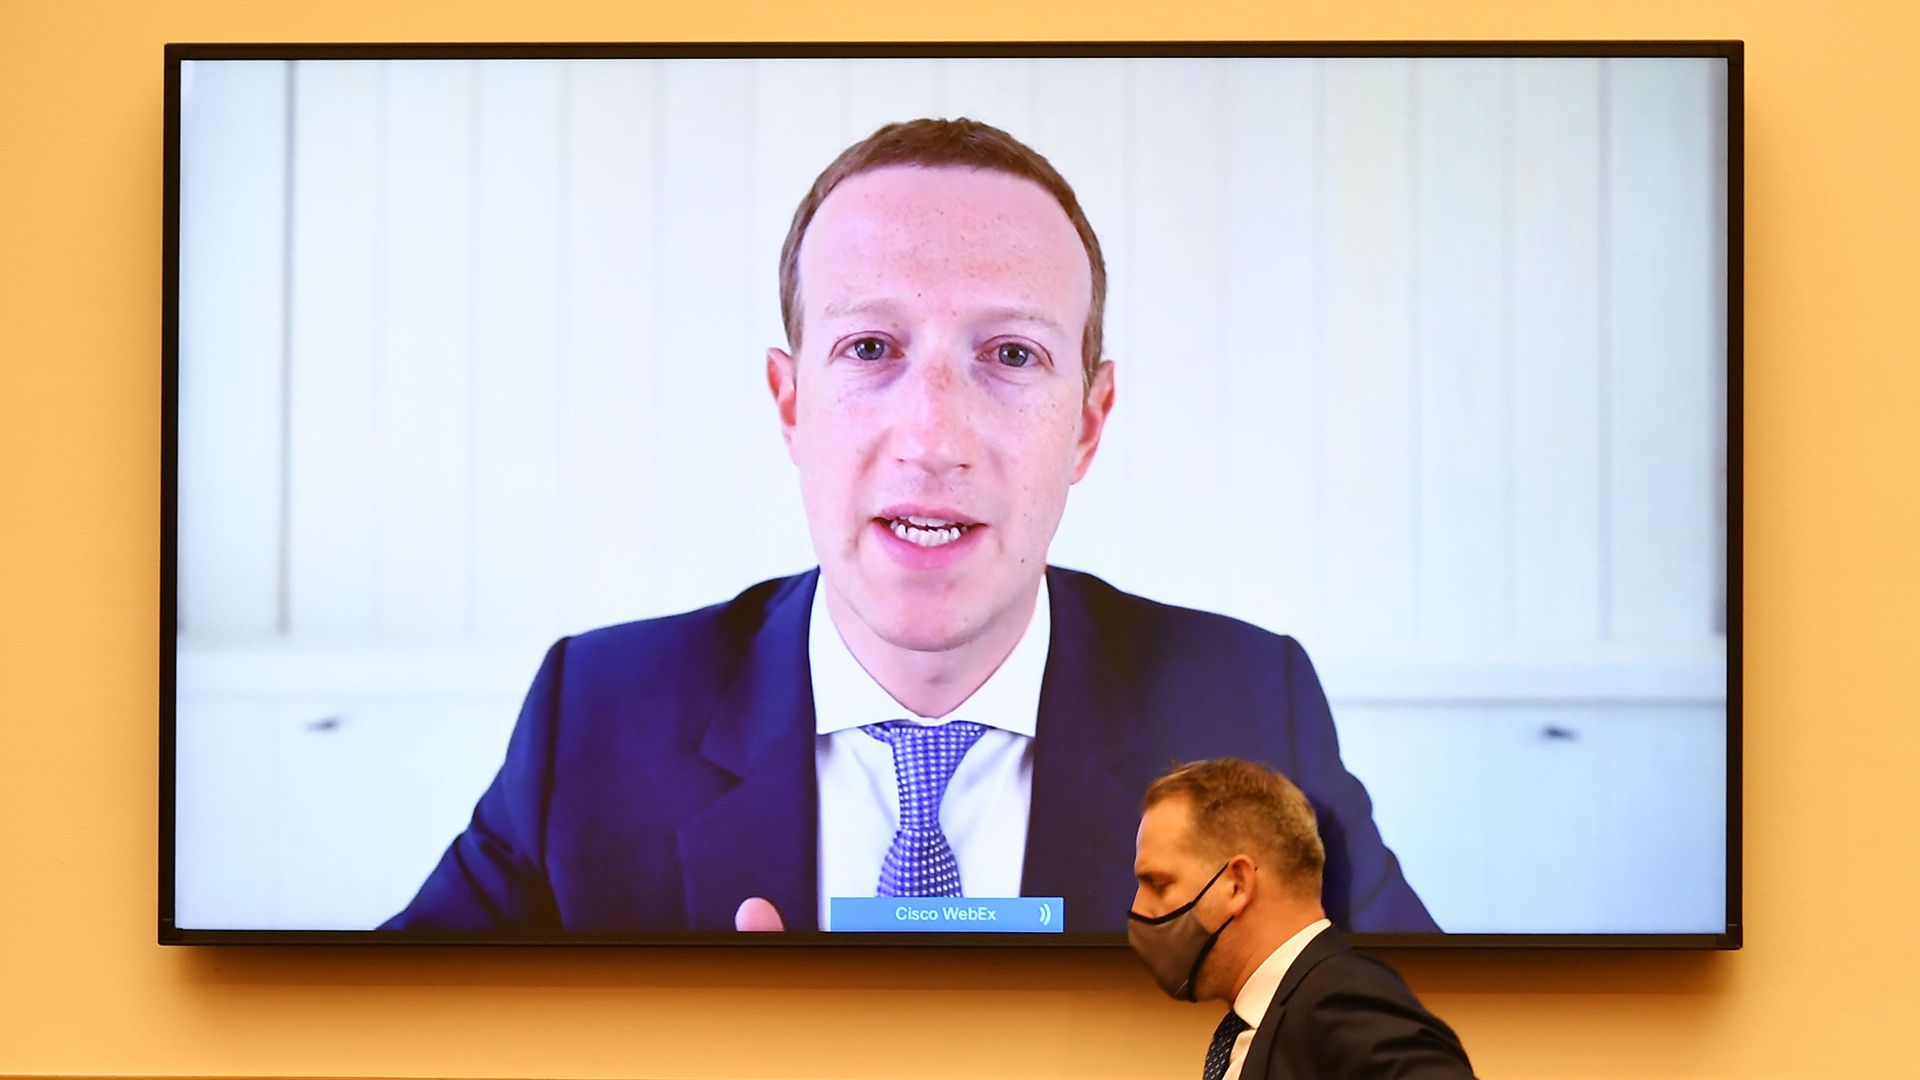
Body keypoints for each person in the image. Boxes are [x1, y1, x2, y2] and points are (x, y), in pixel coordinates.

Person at [383, 117, 1435, 935]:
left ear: (1090, 422)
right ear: (790, 404)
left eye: (1011, 356)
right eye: (872, 349)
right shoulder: (598, 721)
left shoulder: (1251, 716)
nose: (932, 434)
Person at [1129, 759, 1473, 1079]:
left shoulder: (1340, 1000)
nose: (1139, 908)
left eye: (1159, 884)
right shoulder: (1268, 1019)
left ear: (1237, 884)